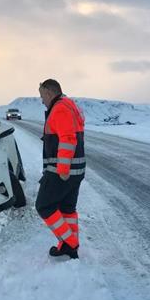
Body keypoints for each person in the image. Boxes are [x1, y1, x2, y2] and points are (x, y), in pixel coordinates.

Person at [35, 79, 85, 259]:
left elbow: (68, 139)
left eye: (42, 96)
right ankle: (69, 248)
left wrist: (62, 169)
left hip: (62, 172)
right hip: (76, 170)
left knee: (44, 206)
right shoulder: (69, 105)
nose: (42, 100)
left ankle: (70, 243)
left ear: (49, 93)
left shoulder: (60, 109)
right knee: (67, 208)